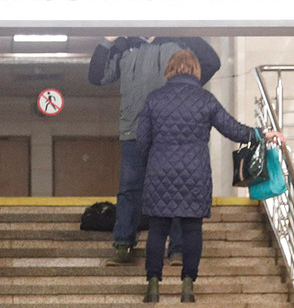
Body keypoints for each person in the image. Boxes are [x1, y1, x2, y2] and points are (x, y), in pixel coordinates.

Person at [135, 48, 283, 303]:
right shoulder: (205, 99)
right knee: (192, 229)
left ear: (169, 70)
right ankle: (188, 286)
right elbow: (232, 129)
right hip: (195, 173)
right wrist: (261, 133)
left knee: (158, 230)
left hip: (160, 170)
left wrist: (151, 162)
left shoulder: (154, 99)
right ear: (196, 70)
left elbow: (141, 141)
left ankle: (153, 285)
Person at [88, 35, 221, 266]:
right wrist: (106, 41)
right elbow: (97, 77)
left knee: (176, 187)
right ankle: (123, 244)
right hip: (134, 131)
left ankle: (177, 249)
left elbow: (211, 62)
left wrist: (185, 32)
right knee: (130, 189)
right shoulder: (125, 46)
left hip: (172, 130)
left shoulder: (180, 43)